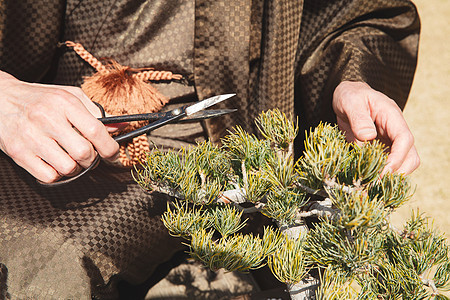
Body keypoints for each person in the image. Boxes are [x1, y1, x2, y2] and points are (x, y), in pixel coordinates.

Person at [0, 0, 420, 298]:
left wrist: (352, 79)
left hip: (247, 136)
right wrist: (5, 94)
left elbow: (354, 12)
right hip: (61, 119)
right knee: (39, 268)